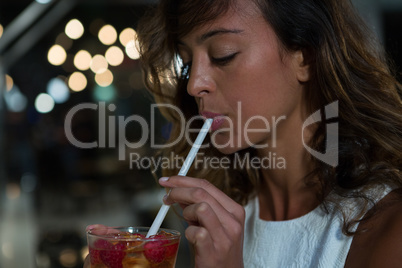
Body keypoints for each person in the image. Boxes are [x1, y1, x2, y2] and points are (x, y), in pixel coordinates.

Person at [85, 0, 402, 267]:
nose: (195, 84)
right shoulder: (214, 219)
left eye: (223, 54)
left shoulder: (388, 228)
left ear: (305, 56)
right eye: (186, 63)